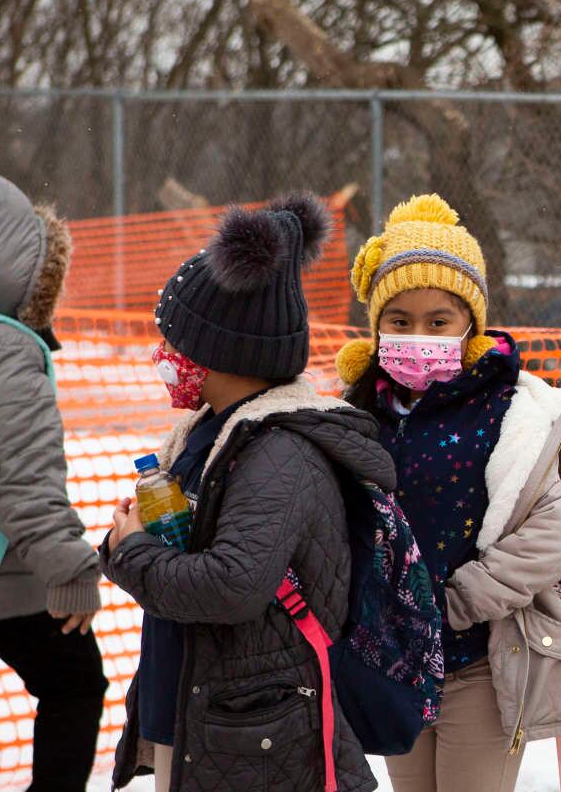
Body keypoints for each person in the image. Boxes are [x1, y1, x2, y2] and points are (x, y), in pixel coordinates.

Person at [101, 195, 380, 792]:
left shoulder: (278, 452)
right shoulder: (209, 433)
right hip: (208, 716)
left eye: (176, 343)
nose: (165, 357)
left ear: (223, 353)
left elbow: (231, 585)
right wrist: (132, 537)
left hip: (250, 736)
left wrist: (132, 554)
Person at [336, 193, 561, 792]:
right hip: (392, 661)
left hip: (482, 662)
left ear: (471, 324)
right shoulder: (355, 413)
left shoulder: (507, 410)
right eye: (399, 321)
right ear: (376, 324)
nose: (418, 335)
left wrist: (459, 599)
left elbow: (552, 532)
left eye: (439, 321)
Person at [0, 172, 107, 792]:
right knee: (76, 687)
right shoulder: (5, 348)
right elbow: (24, 477)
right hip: (4, 584)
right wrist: (69, 569)